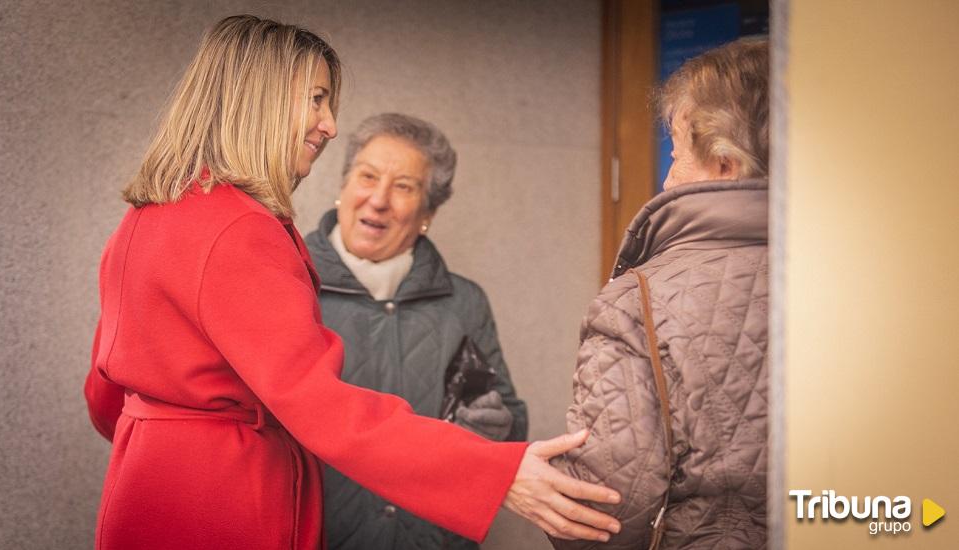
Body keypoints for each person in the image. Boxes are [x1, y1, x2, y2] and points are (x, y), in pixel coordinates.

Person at [82, 15, 622, 550]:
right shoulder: (242, 229)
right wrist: (493, 474)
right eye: (316, 99)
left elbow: (106, 398)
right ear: (261, 99)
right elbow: (322, 407)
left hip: (149, 490)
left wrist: (170, 439)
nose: (330, 124)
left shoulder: (148, 215)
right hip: (222, 502)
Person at [551, 37, 769, 550]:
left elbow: (602, 514)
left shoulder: (638, 305)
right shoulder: (894, 285)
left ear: (724, 164)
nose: (667, 179)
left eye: (675, 154)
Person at [303, 113, 527, 550]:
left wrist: (497, 427)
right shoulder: (292, 284)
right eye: (367, 177)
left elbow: (511, 420)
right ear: (344, 186)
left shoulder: (463, 302)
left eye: (404, 186)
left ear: (428, 213)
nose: (379, 200)